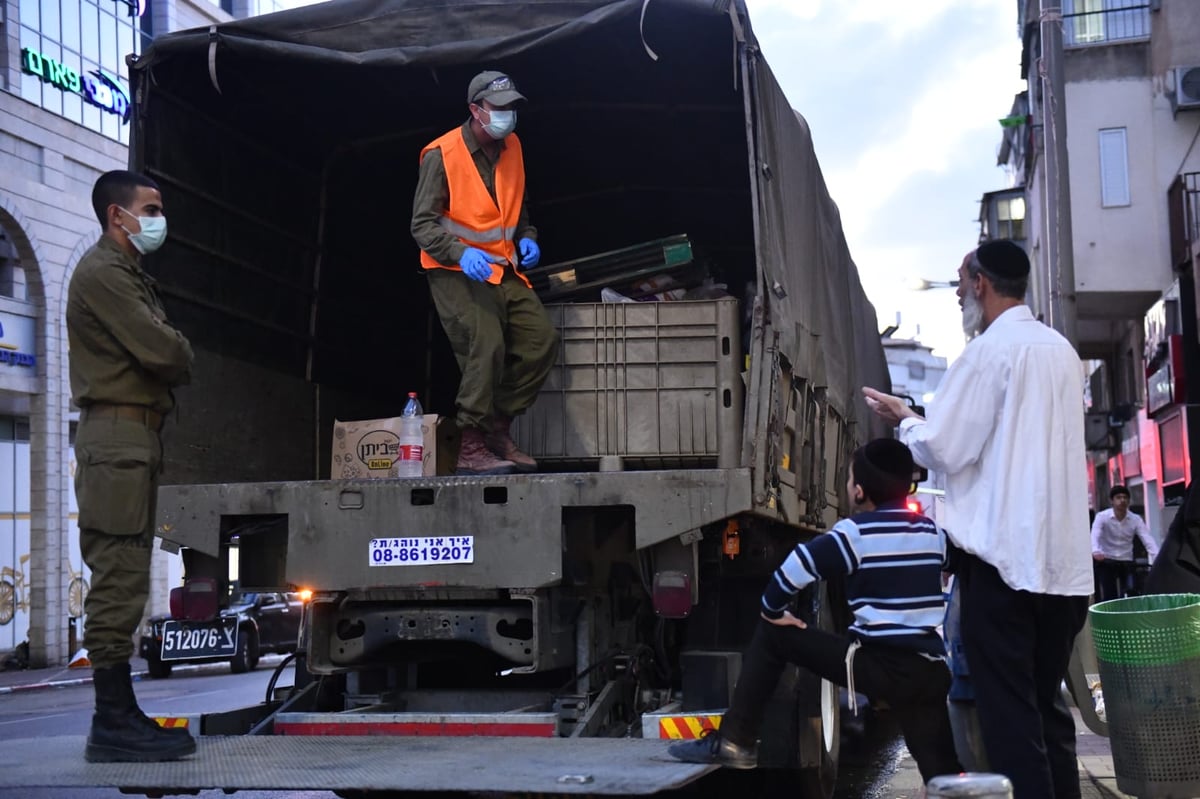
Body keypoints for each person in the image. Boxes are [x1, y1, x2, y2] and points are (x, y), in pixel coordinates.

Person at [863, 239, 1092, 799]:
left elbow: (944, 447)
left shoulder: (988, 352)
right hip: (1063, 571)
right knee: (1047, 710)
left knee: (1010, 717)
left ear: (982, 283)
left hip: (1003, 569)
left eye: (961, 282)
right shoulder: (1061, 350)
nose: (959, 292)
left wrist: (906, 418)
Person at [668, 439, 962, 784]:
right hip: (927, 673)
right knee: (944, 777)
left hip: (876, 669)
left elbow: (796, 567)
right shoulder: (931, 533)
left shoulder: (854, 534)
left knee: (772, 633)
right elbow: (959, 562)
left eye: (850, 478)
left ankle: (736, 740)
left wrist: (773, 610)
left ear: (859, 491)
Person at [68, 170, 196, 763]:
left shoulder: (127, 274)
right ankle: (111, 722)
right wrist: (172, 348)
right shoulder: (103, 274)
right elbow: (166, 350)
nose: (156, 219)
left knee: (128, 575)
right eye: (149, 208)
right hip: (115, 438)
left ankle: (120, 716)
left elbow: (164, 352)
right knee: (117, 577)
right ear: (116, 216)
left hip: (132, 439)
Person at [411, 70, 558, 476]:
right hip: (454, 270)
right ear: (476, 110)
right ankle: (471, 443)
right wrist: (460, 254)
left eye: (513, 106)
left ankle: (497, 426)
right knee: (487, 341)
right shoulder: (441, 155)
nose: (509, 115)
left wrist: (528, 236)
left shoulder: (513, 147)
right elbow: (421, 226)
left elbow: (518, 207)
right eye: (500, 108)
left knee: (541, 341)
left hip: (501, 266)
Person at [1091, 484, 1158, 602]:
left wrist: (1157, 556)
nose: (1122, 500)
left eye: (1125, 497)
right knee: (1109, 594)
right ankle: (1109, 617)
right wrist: (1095, 550)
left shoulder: (1135, 519)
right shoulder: (1102, 517)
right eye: (1118, 497)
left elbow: (1147, 538)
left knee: (1130, 592)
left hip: (1126, 559)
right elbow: (1095, 535)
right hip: (1106, 559)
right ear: (1112, 501)